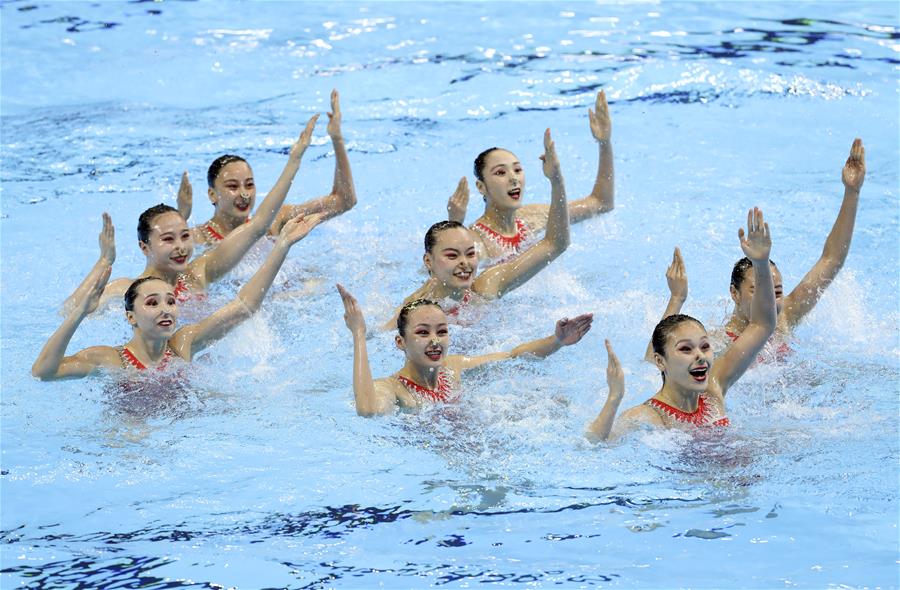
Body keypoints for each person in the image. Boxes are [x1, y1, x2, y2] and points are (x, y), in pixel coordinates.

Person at [69, 114, 321, 312]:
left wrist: (294, 161)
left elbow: (258, 226)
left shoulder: (199, 274)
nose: (181, 247)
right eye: (168, 239)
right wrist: (104, 262)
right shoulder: (128, 290)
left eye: (184, 236)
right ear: (144, 247)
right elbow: (69, 312)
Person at [32, 213, 323, 380]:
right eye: (152, 303)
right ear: (130, 316)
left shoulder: (183, 344)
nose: (166, 309)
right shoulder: (111, 359)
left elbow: (244, 306)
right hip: (130, 441)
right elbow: (44, 372)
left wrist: (282, 244)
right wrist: (79, 314)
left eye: (170, 301)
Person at [586, 208, 776, 441]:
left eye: (705, 347)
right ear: (660, 361)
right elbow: (594, 444)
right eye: (686, 349)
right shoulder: (651, 417)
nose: (700, 355)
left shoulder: (713, 391)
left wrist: (761, 263)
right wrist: (614, 398)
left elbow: (762, 325)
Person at [386, 129, 571, 327]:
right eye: (452, 256)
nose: (465, 263)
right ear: (429, 261)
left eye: (471, 254)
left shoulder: (486, 286)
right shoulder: (417, 308)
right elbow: (378, 336)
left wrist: (556, 180)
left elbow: (555, 243)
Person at [338, 285, 593, 416]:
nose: (435, 341)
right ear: (400, 342)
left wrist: (556, 340)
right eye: (423, 332)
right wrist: (359, 334)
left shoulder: (454, 369)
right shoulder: (393, 389)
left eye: (442, 331)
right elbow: (369, 410)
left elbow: (513, 356)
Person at [447, 90, 614, 262]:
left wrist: (605, 143)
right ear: (481, 187)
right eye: (500, 172)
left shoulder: (533, 217)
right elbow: (439, 276)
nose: (513, 178)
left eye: (517, 170)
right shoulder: (476, 241)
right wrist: (454, 224)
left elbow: (602, 203)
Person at [724, 139, 865, 340]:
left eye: (778, 292)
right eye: (758, 290)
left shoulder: (785, 318)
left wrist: (852, 192)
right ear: (734, 293)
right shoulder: (717, 344)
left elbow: (831, 260)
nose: (770, 300)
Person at [179, 89, 357, 245]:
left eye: (249, 184)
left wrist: (337, 139)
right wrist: (182, 215)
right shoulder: (197, 240)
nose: (244, 194)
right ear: (212, 194)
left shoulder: (274, 222)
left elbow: (344, 201)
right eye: (233, 186)